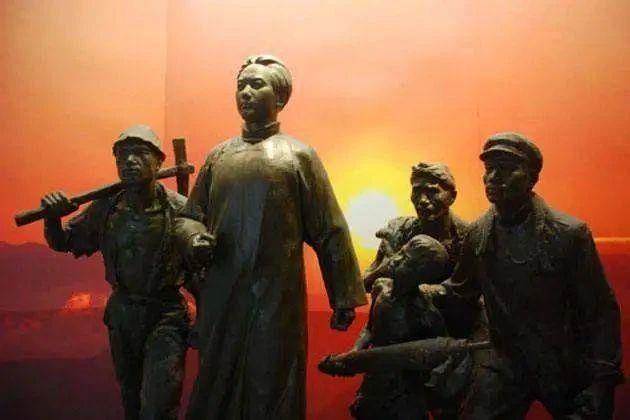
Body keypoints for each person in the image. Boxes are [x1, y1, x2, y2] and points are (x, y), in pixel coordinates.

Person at [176, 54, 367, 420]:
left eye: (256, 84)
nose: (246, 92)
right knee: (216, 380)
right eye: (241, 85)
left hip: (276, 295)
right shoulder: (218, 157)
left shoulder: (299, 156)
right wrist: (193, 238)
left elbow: (329, 228)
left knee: (271, 382)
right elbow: (189, 218)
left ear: (279, 97)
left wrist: (343, 296)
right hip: (222, 291)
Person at [421, 132, 622, 419]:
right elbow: (459, 290)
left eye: (505, 169)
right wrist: (422, 291)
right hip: (506, 362)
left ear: (531, 178)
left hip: (562, 359)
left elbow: (600, 311)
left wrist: (602, 380)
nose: (493, 178)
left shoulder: (568, 234)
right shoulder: (478, 234)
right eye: (489, 169)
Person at [41, 125, 195, 420]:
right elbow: (64, 242)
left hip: (166, 315)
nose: (129, 161)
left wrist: (206, 319)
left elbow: (201, 268)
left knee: (159, 406)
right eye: (122, 156)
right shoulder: (106, 209)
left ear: (159, 161)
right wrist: (52, 219)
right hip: (123, 314)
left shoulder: (180, 209)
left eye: (139, 153)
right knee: (131, 400)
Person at [349, 234, 450, 420]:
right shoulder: (380, 287)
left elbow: (442, 351)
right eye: (400, 253)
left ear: (420, 275)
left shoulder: (425, 312)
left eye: (406, 261)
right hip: (375, 378)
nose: (395, 260)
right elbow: (370, 329)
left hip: (405, 390)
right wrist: (355, 353)